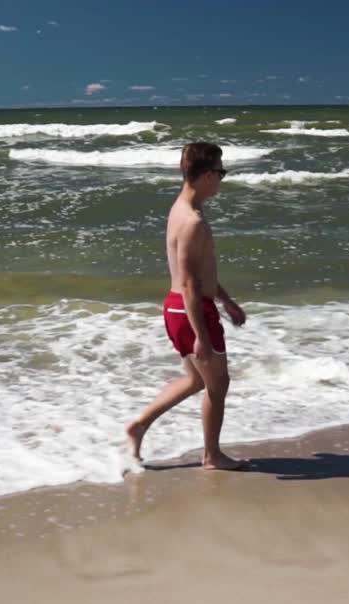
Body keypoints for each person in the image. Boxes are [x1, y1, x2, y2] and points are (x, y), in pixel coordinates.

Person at [126, 142, 246, 470]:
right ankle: (212, 455)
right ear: (207, 175)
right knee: (218, 384)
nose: (222, 178)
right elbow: (191, 283)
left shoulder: (181, 207)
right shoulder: (193, 221)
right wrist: (202, 336)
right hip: (191, 310)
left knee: (196, 381)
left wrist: (227, 301)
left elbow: (199, 273)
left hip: (178, 308)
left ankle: (139, 426)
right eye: (221, 172)